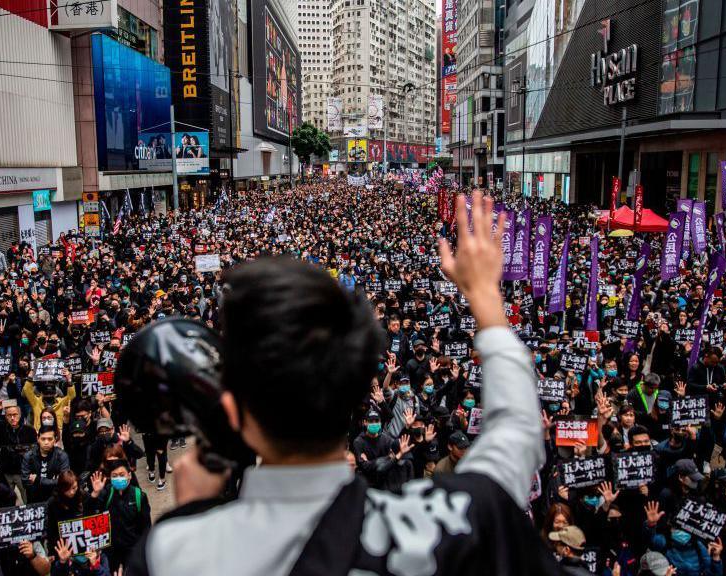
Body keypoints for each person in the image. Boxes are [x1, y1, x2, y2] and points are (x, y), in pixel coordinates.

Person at [132, 193, 557, 575]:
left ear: (234, 412)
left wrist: (191, 518)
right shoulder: (450, 524)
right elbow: (517, 435)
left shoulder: (172, 555)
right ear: (359, 394)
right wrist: (483, 294)